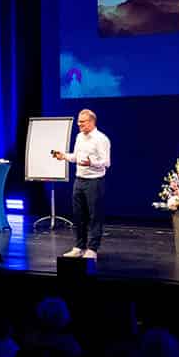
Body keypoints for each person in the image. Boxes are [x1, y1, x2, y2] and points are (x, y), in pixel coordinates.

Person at [51, 107, 110, 260]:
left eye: (82, 122)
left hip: (95, 181)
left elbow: (106, 162)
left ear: (91, 122)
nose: (79, 124)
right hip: (79, 180)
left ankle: (92, 249)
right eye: (79, 122)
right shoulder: (79, 137)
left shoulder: (101, 139)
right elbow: (76, 157)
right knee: (79, 215)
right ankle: (79, 246)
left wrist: (92, 163)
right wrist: (64, 156)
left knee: (94, 216)